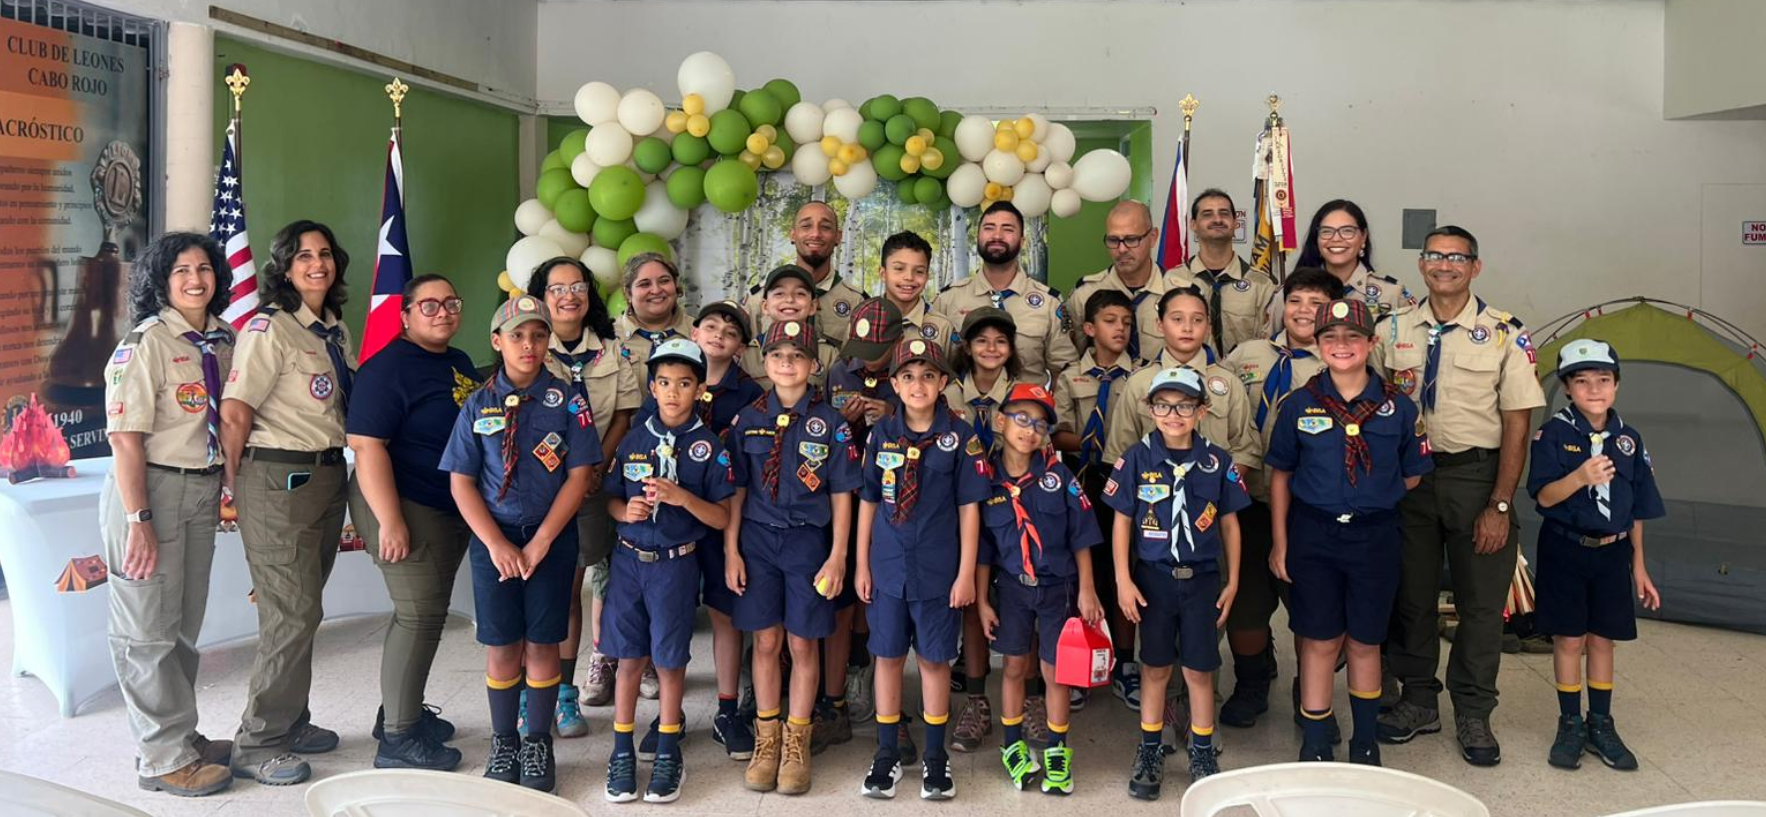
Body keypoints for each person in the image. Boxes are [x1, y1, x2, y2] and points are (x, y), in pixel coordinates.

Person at [1372, 225, 1546, 767]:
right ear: (1421, 264)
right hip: (1411, 483)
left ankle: (1474, 710)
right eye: (1434, 255)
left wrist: (1499, 503)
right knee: (1413, 598)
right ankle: (1419, 699)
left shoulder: (1503, 334)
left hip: (1477, 478)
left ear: (1475, 267)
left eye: (1456, 257)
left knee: (1480, 606)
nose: (1444, 264)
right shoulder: (1392, 329)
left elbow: (1517, 424)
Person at [440, 295, 602, 793]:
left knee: (543, 642)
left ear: (548, 340)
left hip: (550, 539)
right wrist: (496, 544)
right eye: (517, 336)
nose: (528, 345)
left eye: (537, 335)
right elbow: (461, 482)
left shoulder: (568, 400)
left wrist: (542, 542)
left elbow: (579, 477)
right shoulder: (478, 403)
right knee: (502, 644)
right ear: (497, 342)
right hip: (496, 543)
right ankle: (504, 738)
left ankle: (537, 740)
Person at [1266, 299, 1433, 766]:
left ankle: (1365, 739)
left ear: (1371, 343)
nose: (1342, 346)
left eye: (1352, 337)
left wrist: (1371, 495)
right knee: (1319, 640)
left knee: (1365, 640)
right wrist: (1280, 542)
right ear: (1316, 345)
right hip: (1313, 536)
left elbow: (1413, 473)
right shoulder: (1298, 405)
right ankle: (1316, 737)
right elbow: (1280, 474)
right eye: (1331, 338)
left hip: (1374, 538)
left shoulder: (1399, 408)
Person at [101, 232, 237, 797]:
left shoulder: (222, 341)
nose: (195, 280)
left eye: (204, 268)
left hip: (200, 491)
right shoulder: (145, 344)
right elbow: (126, 441)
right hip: (148, 492)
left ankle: (182, 735)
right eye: (181, 271)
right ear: (161, 280)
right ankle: (160, 759)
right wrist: (139, 520)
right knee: (145, 632)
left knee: (181, 627)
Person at [220, 220, 354, 786]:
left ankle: (292, 721)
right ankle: (258, 741)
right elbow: (235, 411)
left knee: (306, 610)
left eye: (325, 254)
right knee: (290, 613)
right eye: (303, 256)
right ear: (284, 266)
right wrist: (233, 488)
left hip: (325, 476)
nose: (317, 264)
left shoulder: (333, 330)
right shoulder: (268, 329)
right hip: (278, 480)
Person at [1101, 286, 1253, 722]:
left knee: (1206, 638)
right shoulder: (1138, 384)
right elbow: (1120, 454)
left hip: (1209, 530)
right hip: (1152, 531)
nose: (1187, 327)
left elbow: (1245, 446)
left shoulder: (1226, 384)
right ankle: (1162, 720)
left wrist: (1216, 488)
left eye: (1198, 319)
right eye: (1177, 318)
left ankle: (1200, 719)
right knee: (1157, 637)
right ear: (1159, 323)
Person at [347, 274, 479, 771]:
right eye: (429, 305)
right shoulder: (386, 370)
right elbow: (366, 445)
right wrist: (390, 521)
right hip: (403, 504)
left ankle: (399, 712)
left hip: (446, 505)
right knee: (418, 615)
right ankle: (399, 741)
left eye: (451, 302)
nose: (443, 312)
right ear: (404, 316)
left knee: (426, 614)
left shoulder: (457, 361)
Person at [726, 319, 861, 794]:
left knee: (803, 644)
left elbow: (843, 492)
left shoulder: (831, 424)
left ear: (814, 364)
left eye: (797, 355)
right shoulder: (747, 419)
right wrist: (731, 550)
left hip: (808, 544)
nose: (787, 363)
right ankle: (767, 737)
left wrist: (839, 554)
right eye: (778, 355)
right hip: (758, 542)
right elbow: (737, 490)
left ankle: (797, 740)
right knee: (765, 642)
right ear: (765, 363)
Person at [855, 338, 991, 801]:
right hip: (888, 567)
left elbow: (970, 507)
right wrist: (861, 565)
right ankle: (887, 754)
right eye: (908, 376)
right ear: (893, 383)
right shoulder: (881, 434)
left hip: (938, 570)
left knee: (935, 660)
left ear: (944, 383)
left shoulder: (961, 436)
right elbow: (868, 501)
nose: (918, 384)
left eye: (928, 375)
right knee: (888, 659)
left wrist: (966, 573)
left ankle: (936, 757)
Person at [1104, 367, 1248, 796]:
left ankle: (1201, 749)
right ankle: (1150, 747)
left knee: (1200, 669)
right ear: (1150, 409)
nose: (1174, 413)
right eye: (1164, 405)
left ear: (1201, 411)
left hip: (1203, 578)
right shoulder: (1135, 458)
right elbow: (1121, 523)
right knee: (1155, 667)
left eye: (1184, 405)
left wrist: (1234, 579)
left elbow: (1231, 525)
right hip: (1154, 579)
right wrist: (1123, 580)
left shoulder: (1216, 460)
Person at [603, 339, 736, 804]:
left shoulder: (709, 447)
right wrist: (626, 512)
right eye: (663, 383)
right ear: (652, 388)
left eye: (684, 383)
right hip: (627, 562)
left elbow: (721, 517)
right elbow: (611, 497)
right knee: (628, 658)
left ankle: (666, 746)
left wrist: (683, 498)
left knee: (669, 658)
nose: (673, 393)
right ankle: (621, 748)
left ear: (700, 389)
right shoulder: (635, 439)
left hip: (675, 566)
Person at [1527, 339, 1664, 772]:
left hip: (1612, 552)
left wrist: (1638, 565)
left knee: (1603, 638)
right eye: (1581, 381)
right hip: (1565, 547)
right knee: (1569, 638)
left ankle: (1600, 721)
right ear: (1567, 388)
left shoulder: (1629, 438)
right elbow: (1545, 496)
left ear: (1617, 385)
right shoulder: (1553, 433)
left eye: (1603, 380)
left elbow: (1639, 508)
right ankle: (1570, 722)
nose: (1594, 389)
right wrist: (1580, 477)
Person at [1216, 267, 1335, 731]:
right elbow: (1219, 413)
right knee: (1246, 602)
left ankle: (1312, 693)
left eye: (1315, 303)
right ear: (1280, 306)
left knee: (1312, 605)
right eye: (1296, 300)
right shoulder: (1247, 354)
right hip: (1248, 501)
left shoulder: (1337, 362)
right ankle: (1252, 682)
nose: (1304, 311)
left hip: (1310, 507)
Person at [975, 383, 1104, 795]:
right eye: (1021, 418)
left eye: (1040, 424)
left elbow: (1081, 536)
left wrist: (1088, 590)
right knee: (1013, 666)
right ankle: (1012, 746)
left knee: (1055, 672)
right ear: (1001, 421)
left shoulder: (1058, 476)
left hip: (1058, 588)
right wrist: (981, 601)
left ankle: (1056, 748)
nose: (1029, 430)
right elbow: (982, 551)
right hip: (1012, 588)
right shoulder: (986, 482)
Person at [529, 257, 639, 737]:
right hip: (537, 489)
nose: (568, 295)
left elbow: (624, 414)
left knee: (574, 586)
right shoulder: (530, 346)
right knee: (539, 588)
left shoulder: (611, 352)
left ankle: (565, 692)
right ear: (541, 296)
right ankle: (531, 692)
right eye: (556, 288)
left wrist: (599, 463)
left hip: (592, 486)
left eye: (577, 286)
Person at [657, 301, 764, 761]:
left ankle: (726, 710)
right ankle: (669, 715)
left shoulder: (752, 395)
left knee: (723, 613)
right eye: (711, 326)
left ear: (742, 345)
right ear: (695, 332)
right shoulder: (668, 386)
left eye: (731, 331)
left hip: (722, 519)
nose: (719, 335)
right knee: (671, 614)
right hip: (670, 525)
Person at [819, 297, 908, 747]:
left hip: (899, 501)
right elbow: (825, 434)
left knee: (879, 589)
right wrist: (844, 420)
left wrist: (893, 416)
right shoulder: (840, 372)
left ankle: (866, 665)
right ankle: (841, 679)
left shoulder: (909, 372)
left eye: (876, 349)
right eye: (859, 347)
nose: (865, 357)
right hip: (851, 496)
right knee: (850, 587)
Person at [944, 306, 1027, 754]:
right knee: (973, 603)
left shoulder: (1025, 395)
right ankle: (976, 700)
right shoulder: (949, 395)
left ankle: (1030, 695)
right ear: (967, 347)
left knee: (1024, 597)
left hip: (1016, 512)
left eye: (1000, 341)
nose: (991, 349)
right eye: (981, 341)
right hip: (965, 512)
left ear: (1011, 348)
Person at [1052, 288, 1135, 711]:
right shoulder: (1070, 376)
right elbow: (1058, 430)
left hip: (1127, 486)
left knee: (1122, 574)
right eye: (1109, 321)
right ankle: (1081, 662)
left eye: (1125, 321)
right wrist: (1093, 443)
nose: (1119, 328)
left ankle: (1125, 664)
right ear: (1089, 328)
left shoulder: (1139, 376)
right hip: (1081, 481)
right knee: (1080, 577)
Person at [933, 201, 1078, 383]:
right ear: (977, 236)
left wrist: (1051, 411)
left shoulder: (1049, 302)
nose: (997, 235)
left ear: (1022, 241)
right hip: (963, 408)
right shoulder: (948, 299)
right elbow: (931, 366)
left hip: (1026, 407)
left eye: (1008, 229)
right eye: (989, 228)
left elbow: (1063, 371)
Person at [1166, 189, 1280, 357]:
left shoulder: (1261, 284)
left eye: (1224, 213)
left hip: (1245, 376)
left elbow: (1268, 344)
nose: (1217, 219)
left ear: (1235, 223)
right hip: (1189, 375)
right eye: (1207, 214)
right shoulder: (1173, 280)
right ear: (1193, 225)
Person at [1065, 201, 1178, 361]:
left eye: (1131, 239)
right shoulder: (1085, 294)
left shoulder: (1180, 294)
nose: (1122, 249)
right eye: (1113, 240)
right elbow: (1072, 359)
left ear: (1153, 238)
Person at [744, 201, 866, 345]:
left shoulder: (856, 302)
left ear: (838, 237)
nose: (815, 234)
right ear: (793, 235)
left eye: (825, 227)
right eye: (806, 226)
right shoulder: (759, 298)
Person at [1294, 199, 1415, 321]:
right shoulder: (1293, 292)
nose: (1336, 238)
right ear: (1316, 239)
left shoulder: (1393, 293)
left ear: (1363, 237)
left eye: (1347, 231)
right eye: (1326, 232)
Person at [740, 264, 840, 393]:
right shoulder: (747, 355)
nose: (789, 299)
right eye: (779, 293)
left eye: (800, 293)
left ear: (813, 307)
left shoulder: (828, 354)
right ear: (765, 306)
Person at [877, 230, 957, 352]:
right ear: (883, 274)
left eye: (919, 271)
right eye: (899, 268)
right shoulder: (861, 319)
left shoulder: (943, 328)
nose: (909, 277)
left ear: (926, 276)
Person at [615, 252, 695, 366]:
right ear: (628, 293)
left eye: (664, 281)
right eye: (645, 284)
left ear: (676, 285)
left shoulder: (701, 334)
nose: (656, 290)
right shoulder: (607, 338)